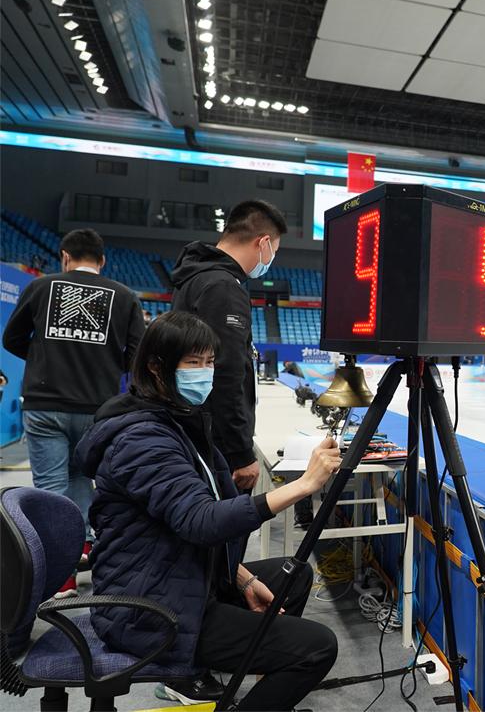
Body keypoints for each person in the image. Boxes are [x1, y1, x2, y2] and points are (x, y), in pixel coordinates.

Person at [73, 312, 340, 710]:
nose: (204, 372)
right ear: (156, 367)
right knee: (317, 647)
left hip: (179, 576)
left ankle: (260, 679)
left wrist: (245, 579)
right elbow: (200, 521)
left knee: (294, 575)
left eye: (209, 362)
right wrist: (303, 486)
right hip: (148, 609)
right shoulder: (141, 438)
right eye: (192, 363)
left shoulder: (176, 421)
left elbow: (177, 525)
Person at [2, 228, 145, 598]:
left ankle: (60, 578)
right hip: (97, 408)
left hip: (44, 404)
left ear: (65, 256)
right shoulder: (125, 296)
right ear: (102, 261)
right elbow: (138, 353)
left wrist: (40, 359)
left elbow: (11, 339)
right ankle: (79, 549)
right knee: (83, 480)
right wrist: (109, 367)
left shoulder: (41, 287)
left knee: (50, 489)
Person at [171, 200, 286, 492]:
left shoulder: (194, 278)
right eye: (274, 249)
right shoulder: (223, 288)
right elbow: (226, 372)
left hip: (192, 426)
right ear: (263, 243)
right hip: (216, 441)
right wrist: (241, 453)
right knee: (225, 527)